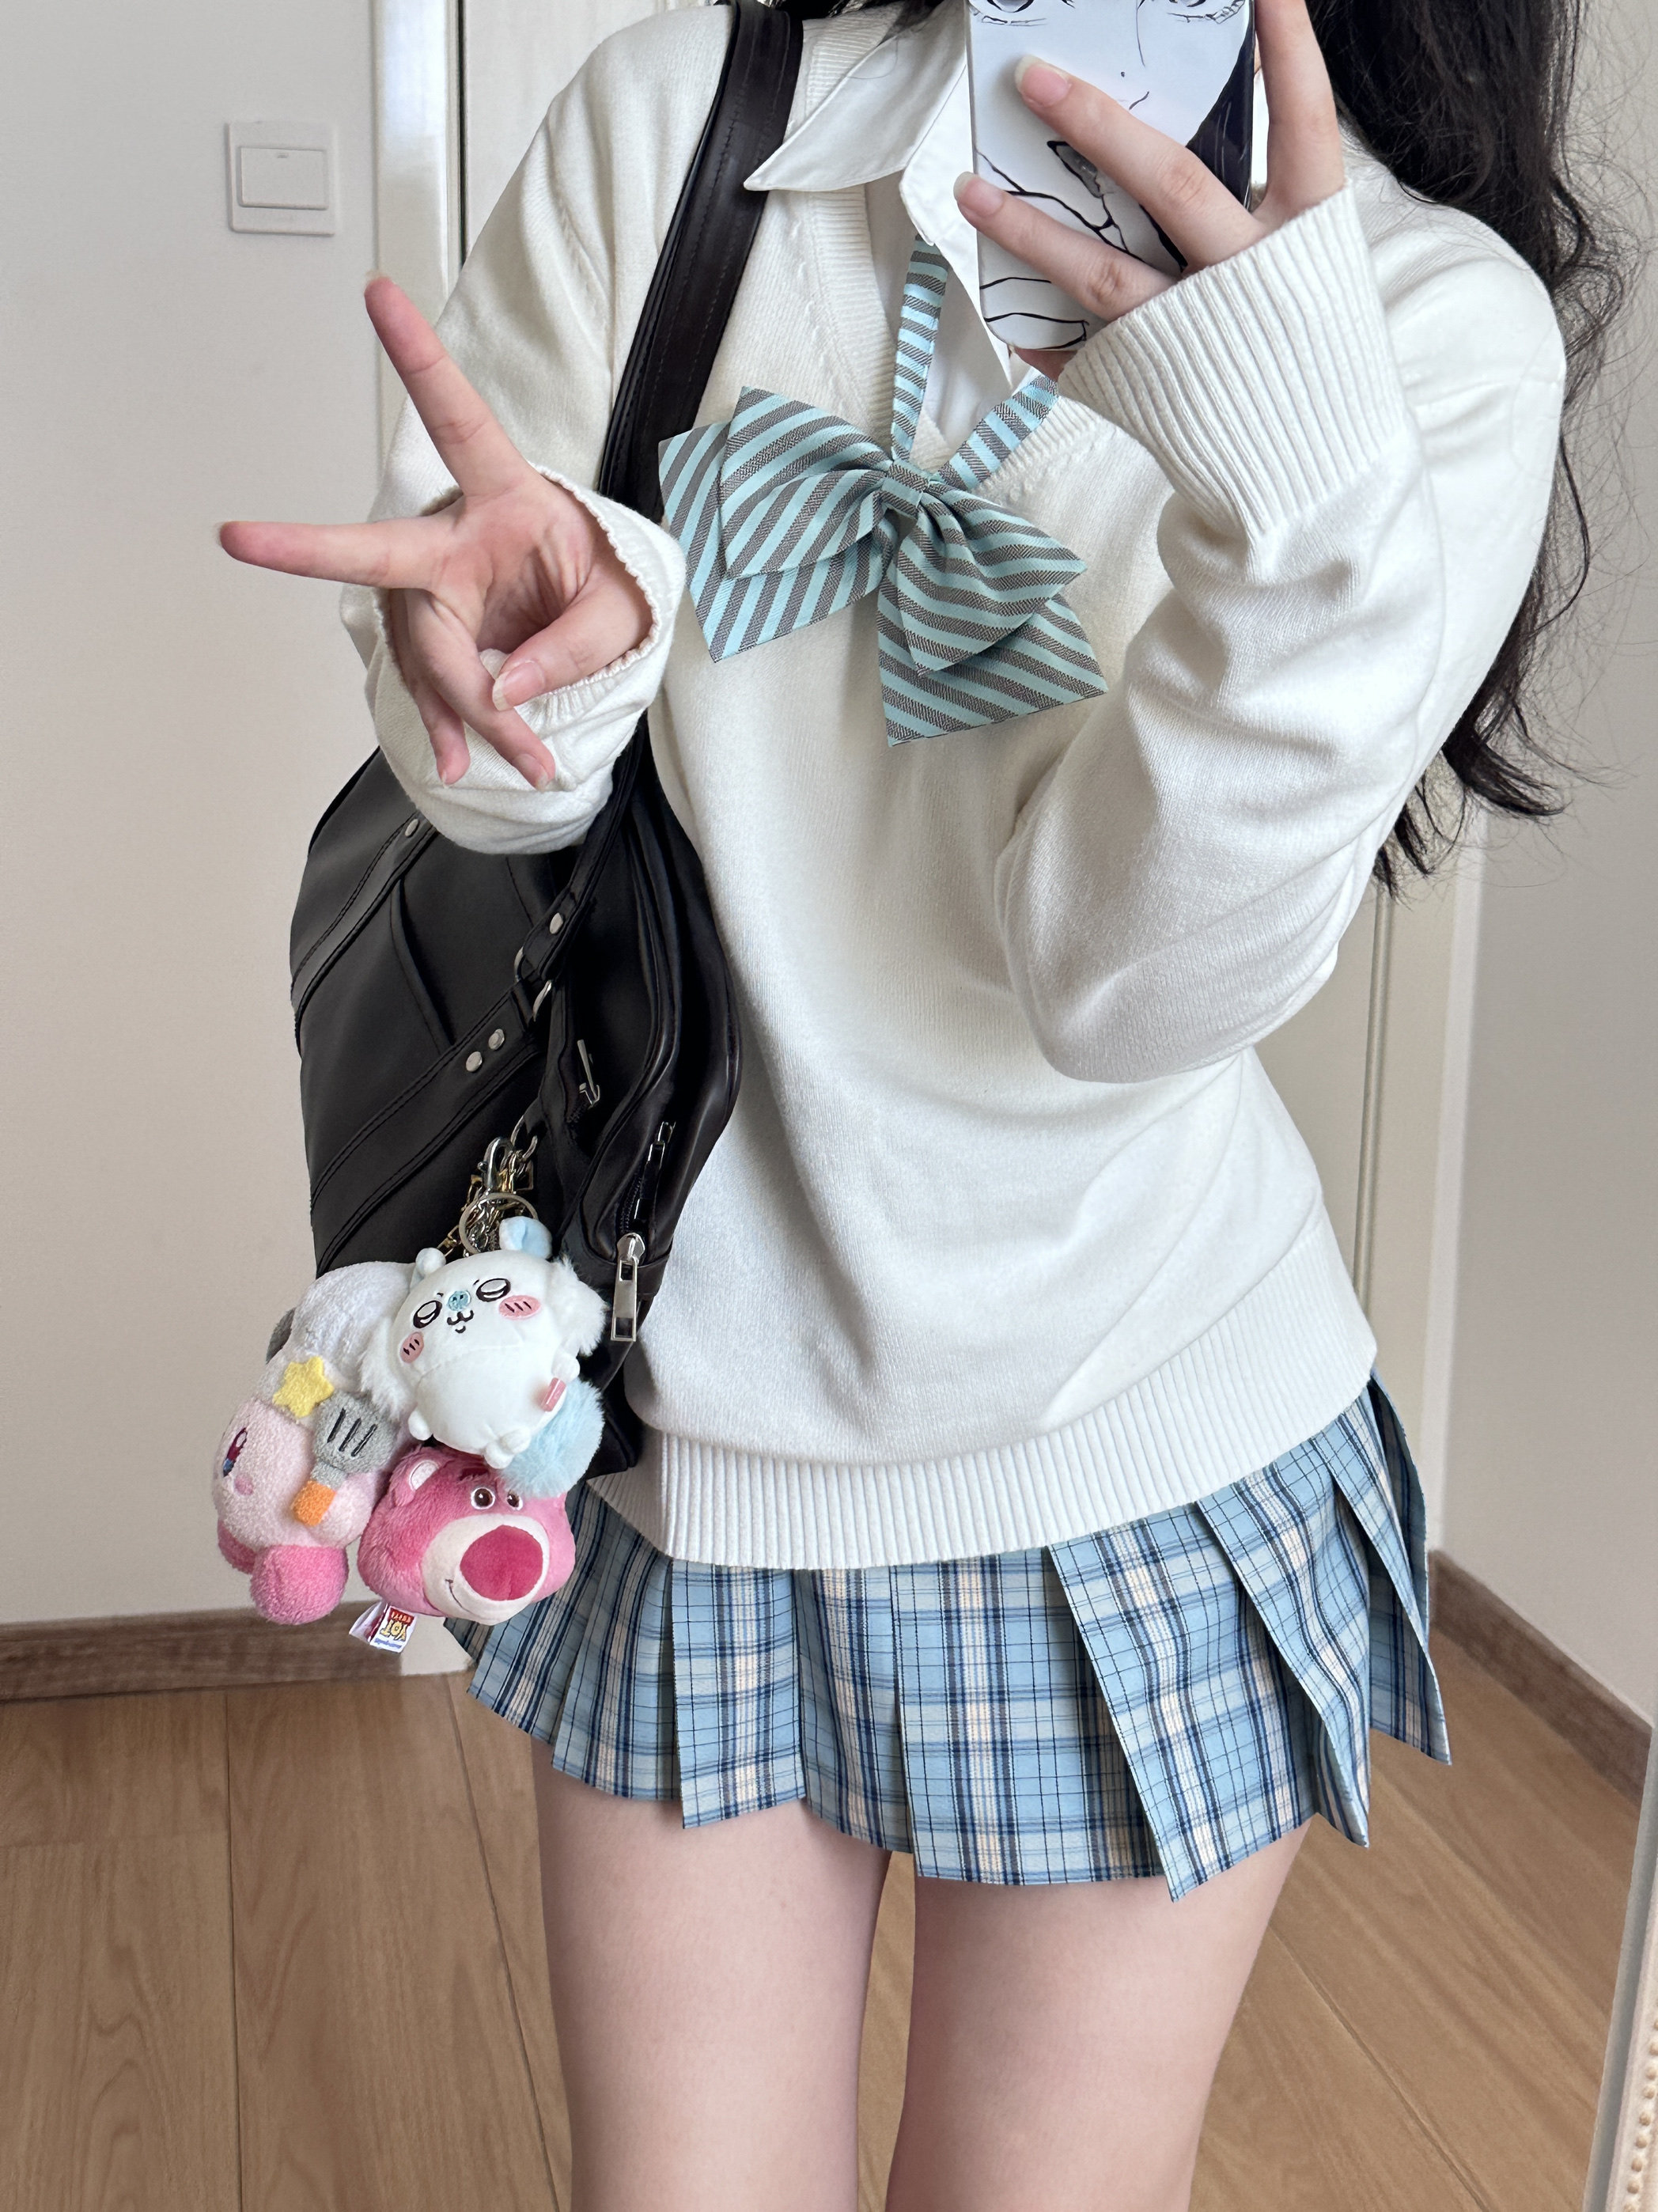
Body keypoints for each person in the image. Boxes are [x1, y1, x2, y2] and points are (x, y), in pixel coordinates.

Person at [221, 0, 1617, 2204]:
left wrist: (1295, 505)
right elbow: (483, 760)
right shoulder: (686, 120)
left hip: (1145, 1444)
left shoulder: (1429, 322)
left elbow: (1122, 986)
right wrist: (522, 688)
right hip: (702, 1447)